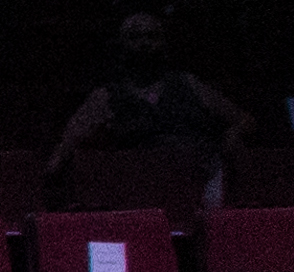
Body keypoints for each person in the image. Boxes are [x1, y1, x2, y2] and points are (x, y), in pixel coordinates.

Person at [49, 10, 252, 184]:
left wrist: (231, 138)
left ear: (163, 42)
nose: (144, 43)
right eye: (135, 37)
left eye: (152, 36)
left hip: (198, 176)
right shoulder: (106, 96)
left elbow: (243, 120)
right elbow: (69, 142)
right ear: (121, 44)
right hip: (141, 182)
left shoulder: (188, 83)